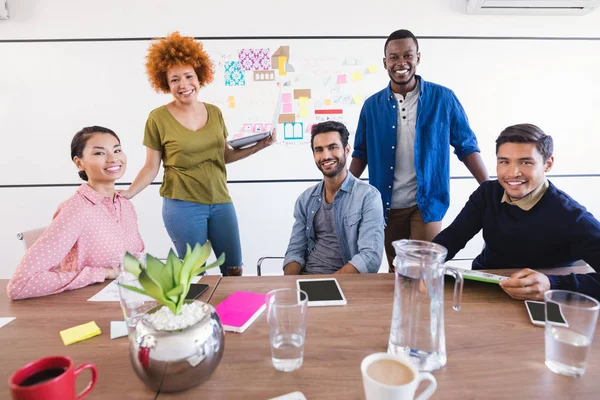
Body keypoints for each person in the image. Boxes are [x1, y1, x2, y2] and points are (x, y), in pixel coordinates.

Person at [120, 32, 275, 276]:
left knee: (234, 269)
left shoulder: (214, 112)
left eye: (189, 76)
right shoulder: (157, 118)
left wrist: (259, 146)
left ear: (200, 76)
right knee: (195, 274)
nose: (183, 85)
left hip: (221, 201)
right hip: (182, 204)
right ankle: (197, 316)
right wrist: (129, 192)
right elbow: (151, 167)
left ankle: (230, 315)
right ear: (165, 83)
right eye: (174, 80)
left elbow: (224, 155)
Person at [349, 29, 489, 272]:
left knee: (424, 271)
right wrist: (344, 192)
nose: (401, 63)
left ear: (418, 58)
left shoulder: (443, 98)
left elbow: (466, 146)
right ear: (385, 63)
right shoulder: (371, 106)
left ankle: (425, 311)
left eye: (407, 56)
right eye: (393, 57)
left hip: (427, 201)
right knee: (397, 271)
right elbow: (361, 153)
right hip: (385, 204)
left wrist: (489, 188)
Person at [433, 123, 600, 301]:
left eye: (526, 162)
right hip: (485, 288)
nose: (512, 172)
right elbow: (453, 237)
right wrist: (425, 262)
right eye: (504, 161)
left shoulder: (571, 217)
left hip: (538, 301)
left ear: (548, 164)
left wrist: (553, 284)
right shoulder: (487, 193)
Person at [7, 126, 145, 300]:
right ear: (79, 163)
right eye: (99, 153)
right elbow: (21, 285)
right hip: (86, 309)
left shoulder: (125, 205)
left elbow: (136, 258)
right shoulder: (75, 210)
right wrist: (103, 273)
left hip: (127, 301)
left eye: (117, 150)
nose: (113, 158)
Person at [283, 121, 384, 275]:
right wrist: (291, 286)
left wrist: (327, 285)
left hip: (348, 284)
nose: (326, 156)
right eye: (319, 150)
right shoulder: (305, 199)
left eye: (332, 147)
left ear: (347, 149)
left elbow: (370, 258)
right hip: (307, 280)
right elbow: (295, 252)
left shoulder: (368, 197)